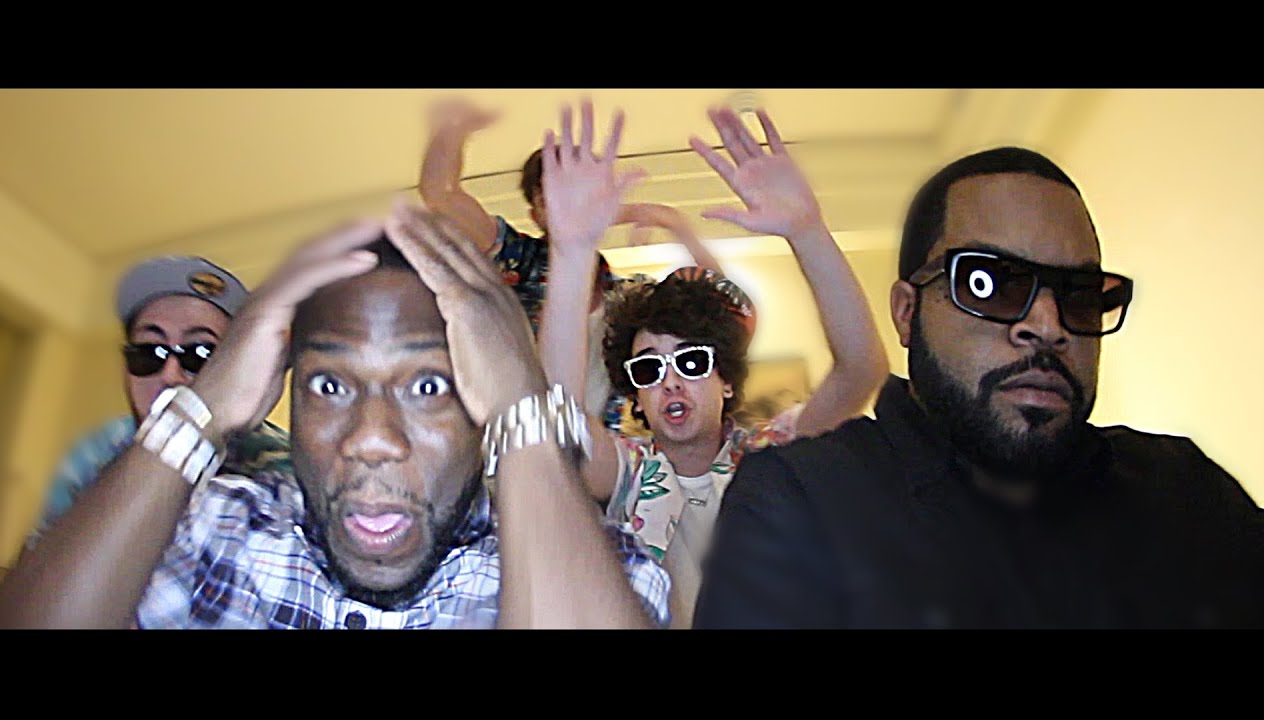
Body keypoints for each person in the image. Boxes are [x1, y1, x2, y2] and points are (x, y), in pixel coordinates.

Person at [0, 204, 669, 629]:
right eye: (331, 385)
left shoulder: (603, 568)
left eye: (429, 385)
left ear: (486, 399)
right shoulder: (209, 529)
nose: (370, 438)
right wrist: (199, 413)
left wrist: (524, 411)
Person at [693, 146, 1264, 628]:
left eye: (1080, 294)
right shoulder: (804, 500)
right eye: (988, 283)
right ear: (908, 312)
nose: (1048, 325)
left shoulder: (1187, 490)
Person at [538, 101, 888, 628]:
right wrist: (571, 252)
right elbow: (557, 425)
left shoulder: (771, 455)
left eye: (692, 361)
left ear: (726, 382)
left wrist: (808, 230)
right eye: (649, 370)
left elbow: (860, 370)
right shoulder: (630, 471)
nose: (671, 381)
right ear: (637, 398)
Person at [419, 98, 719, 431]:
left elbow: (722, 303)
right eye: (552, 196)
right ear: (537, 215)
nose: (573, 203)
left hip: (601, 449)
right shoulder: (519, 261)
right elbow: (439, 193)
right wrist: (453, 127)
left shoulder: (627, 300)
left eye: (586, 191)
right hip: (520, 442)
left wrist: (671, 220)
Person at [26, 256, 289, 552]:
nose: (170, 375)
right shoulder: (96, 454)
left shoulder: (280, 464)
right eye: (149, 352)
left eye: (200, 354)